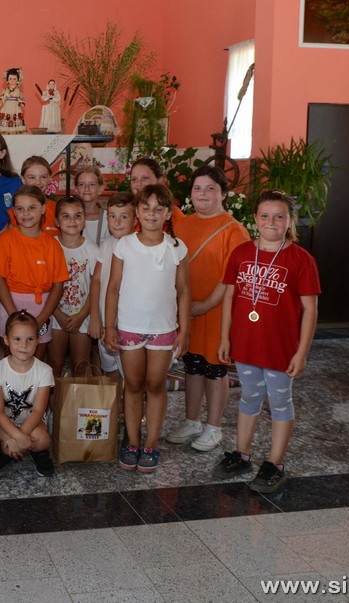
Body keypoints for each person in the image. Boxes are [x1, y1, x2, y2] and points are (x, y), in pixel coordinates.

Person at [215, 190, 320, 494]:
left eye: (279, 216)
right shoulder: (241, 253)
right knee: (249, 396)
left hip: (280, 348)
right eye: (265, 215)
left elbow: (310, 309)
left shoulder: (302, 259)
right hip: (246, 344)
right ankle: (242, 454)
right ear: (255, 218)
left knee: (279, 401)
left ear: (290, 220)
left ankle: (275, 463)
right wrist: (224, 337)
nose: (271, 221)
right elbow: (229, 297)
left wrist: (302, 352)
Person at [105, 184, 190, 474]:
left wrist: (184, 330)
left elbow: (184, 291)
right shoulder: (125, 245)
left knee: (155, 385)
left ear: (168, 213)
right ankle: (132, 442)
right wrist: (109, 326)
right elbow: (113, 288)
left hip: (163, 329)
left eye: (158, 209)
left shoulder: (176, 248)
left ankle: (151, 444)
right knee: (133, 385)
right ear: (137, 212)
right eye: (146, 208)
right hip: (129, 327)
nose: (152, 214)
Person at [165, 166, 250, 452]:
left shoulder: (234, 230)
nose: (202, 194)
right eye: (197, 188)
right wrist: (182, 305)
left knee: (215, 367)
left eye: (210, 188)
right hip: (186, 309)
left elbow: (232, 278)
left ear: (223, 194)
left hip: (217, 311)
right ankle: (191, 421)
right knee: (192, 364)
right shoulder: (183, 225)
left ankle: (214, 427)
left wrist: (204, 305)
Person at [0, 185, 67, 360]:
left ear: (43, 209)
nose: (26, 213)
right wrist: (13, 314)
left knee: (36, 357)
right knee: (11, 356)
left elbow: (58, 285)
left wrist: (41, 319)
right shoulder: (5, 240)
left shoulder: (52, 245)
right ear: (14, 212)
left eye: (32, 208)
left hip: (41, 307)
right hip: (10, 303)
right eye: (20, 209)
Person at [0, 310, 55, 476]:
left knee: (42, 439)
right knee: (9, 441)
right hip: (2, 421)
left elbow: (38, 411)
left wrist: (22, 436)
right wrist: (18, 437)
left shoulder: (44, 371)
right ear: (6, 340)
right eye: (17, 339)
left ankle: (38, 453)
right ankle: (5, 452)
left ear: (38, 340)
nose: (24, 345)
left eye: (30, 339)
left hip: (32, 420)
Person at [48, 197, 99, 378]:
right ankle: (54, 397)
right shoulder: (49, 246)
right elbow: (45, 285)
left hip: (82, 315)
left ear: (84, 220)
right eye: (66, 216)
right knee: (54, 363)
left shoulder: (92, 250)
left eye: (77, 216)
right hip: (55, 314)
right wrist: (57, 313)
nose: (72, 220)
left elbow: (95, 286)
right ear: (56, 221)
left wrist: (82, 315)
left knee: (81, 365)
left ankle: (79, 397)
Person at [87, 192, 136, 377]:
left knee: (131, 376)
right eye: (112, 216)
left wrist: (114, 324)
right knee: (111, 371)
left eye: (123, 217)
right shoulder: (107, 244)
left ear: (135, 219)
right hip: (104, 320)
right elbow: (96, 280)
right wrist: (95, 317)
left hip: (125, 325)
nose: (117, 222)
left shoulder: (136, 247)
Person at [8, 156, 59, 236]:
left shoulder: (57, 209)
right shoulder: (15, 212)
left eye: (43, 177)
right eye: (32, 177)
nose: (38, 182)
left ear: (49, 178)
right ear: (23, 179)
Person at [128, 156, 185, 224]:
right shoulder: (126, 210)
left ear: (160, 181)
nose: (139, 184)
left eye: (145, 178)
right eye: (134, 179)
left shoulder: (173, 214)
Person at [74, 165, 107, 245]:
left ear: (100, 189)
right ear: (76, 189)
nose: (86, 189)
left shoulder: (108, 218)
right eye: (81, 184)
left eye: (92, 184)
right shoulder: (69, 218)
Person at [0, 67, 26, 135]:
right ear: (7, 80)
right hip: (6, 108)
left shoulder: (18, 91)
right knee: (6, 120)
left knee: (16, 121)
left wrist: (21, 103)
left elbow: (22, 99)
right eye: (10, 78)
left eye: (14, 79)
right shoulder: (5, 90)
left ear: (18, 80)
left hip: (16, 108)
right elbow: (2, 97)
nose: (12, 80)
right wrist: (0, 100)